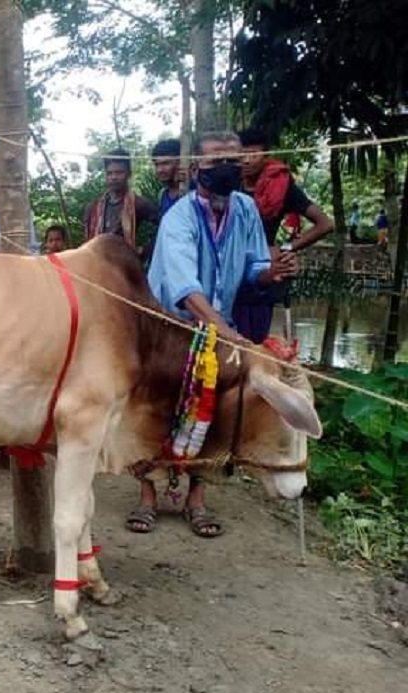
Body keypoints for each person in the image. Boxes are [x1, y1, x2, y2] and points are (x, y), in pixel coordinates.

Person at [140, 130, 298, 538]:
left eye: (233, 160)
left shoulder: (245, 208)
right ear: (197, 169)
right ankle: (147, 497)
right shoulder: (179, 217)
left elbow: (253, 268)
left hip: (217, 325)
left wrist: (271, 272)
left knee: (211, 410)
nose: (226, 168)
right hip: (170, 326)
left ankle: (197, 500)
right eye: (215, 163)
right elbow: (184, 288)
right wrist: (228, 334)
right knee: (158, 407)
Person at [236, 128, 334, 343]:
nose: (246, 161)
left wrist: (285, 249)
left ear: (266, 155)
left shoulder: (280, 185)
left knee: (252, 342)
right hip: (229, 267)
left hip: (262, 270)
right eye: (242, 154)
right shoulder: (228, 181)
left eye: (253, 154)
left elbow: (324, 223)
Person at [83, 148, 159, 260]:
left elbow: (162, 227)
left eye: (119, 173)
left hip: (125, 265)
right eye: (110, 173)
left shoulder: (138, 204)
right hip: (98, 263)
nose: (114, 177)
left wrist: (145, 250)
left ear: (129, 174)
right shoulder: (93, 207)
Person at [152, 138, 184, 215]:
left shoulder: (196, 191)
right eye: (157, 165)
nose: (159, 170)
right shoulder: (163, 194)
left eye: (165, 163)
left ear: (180, 163)